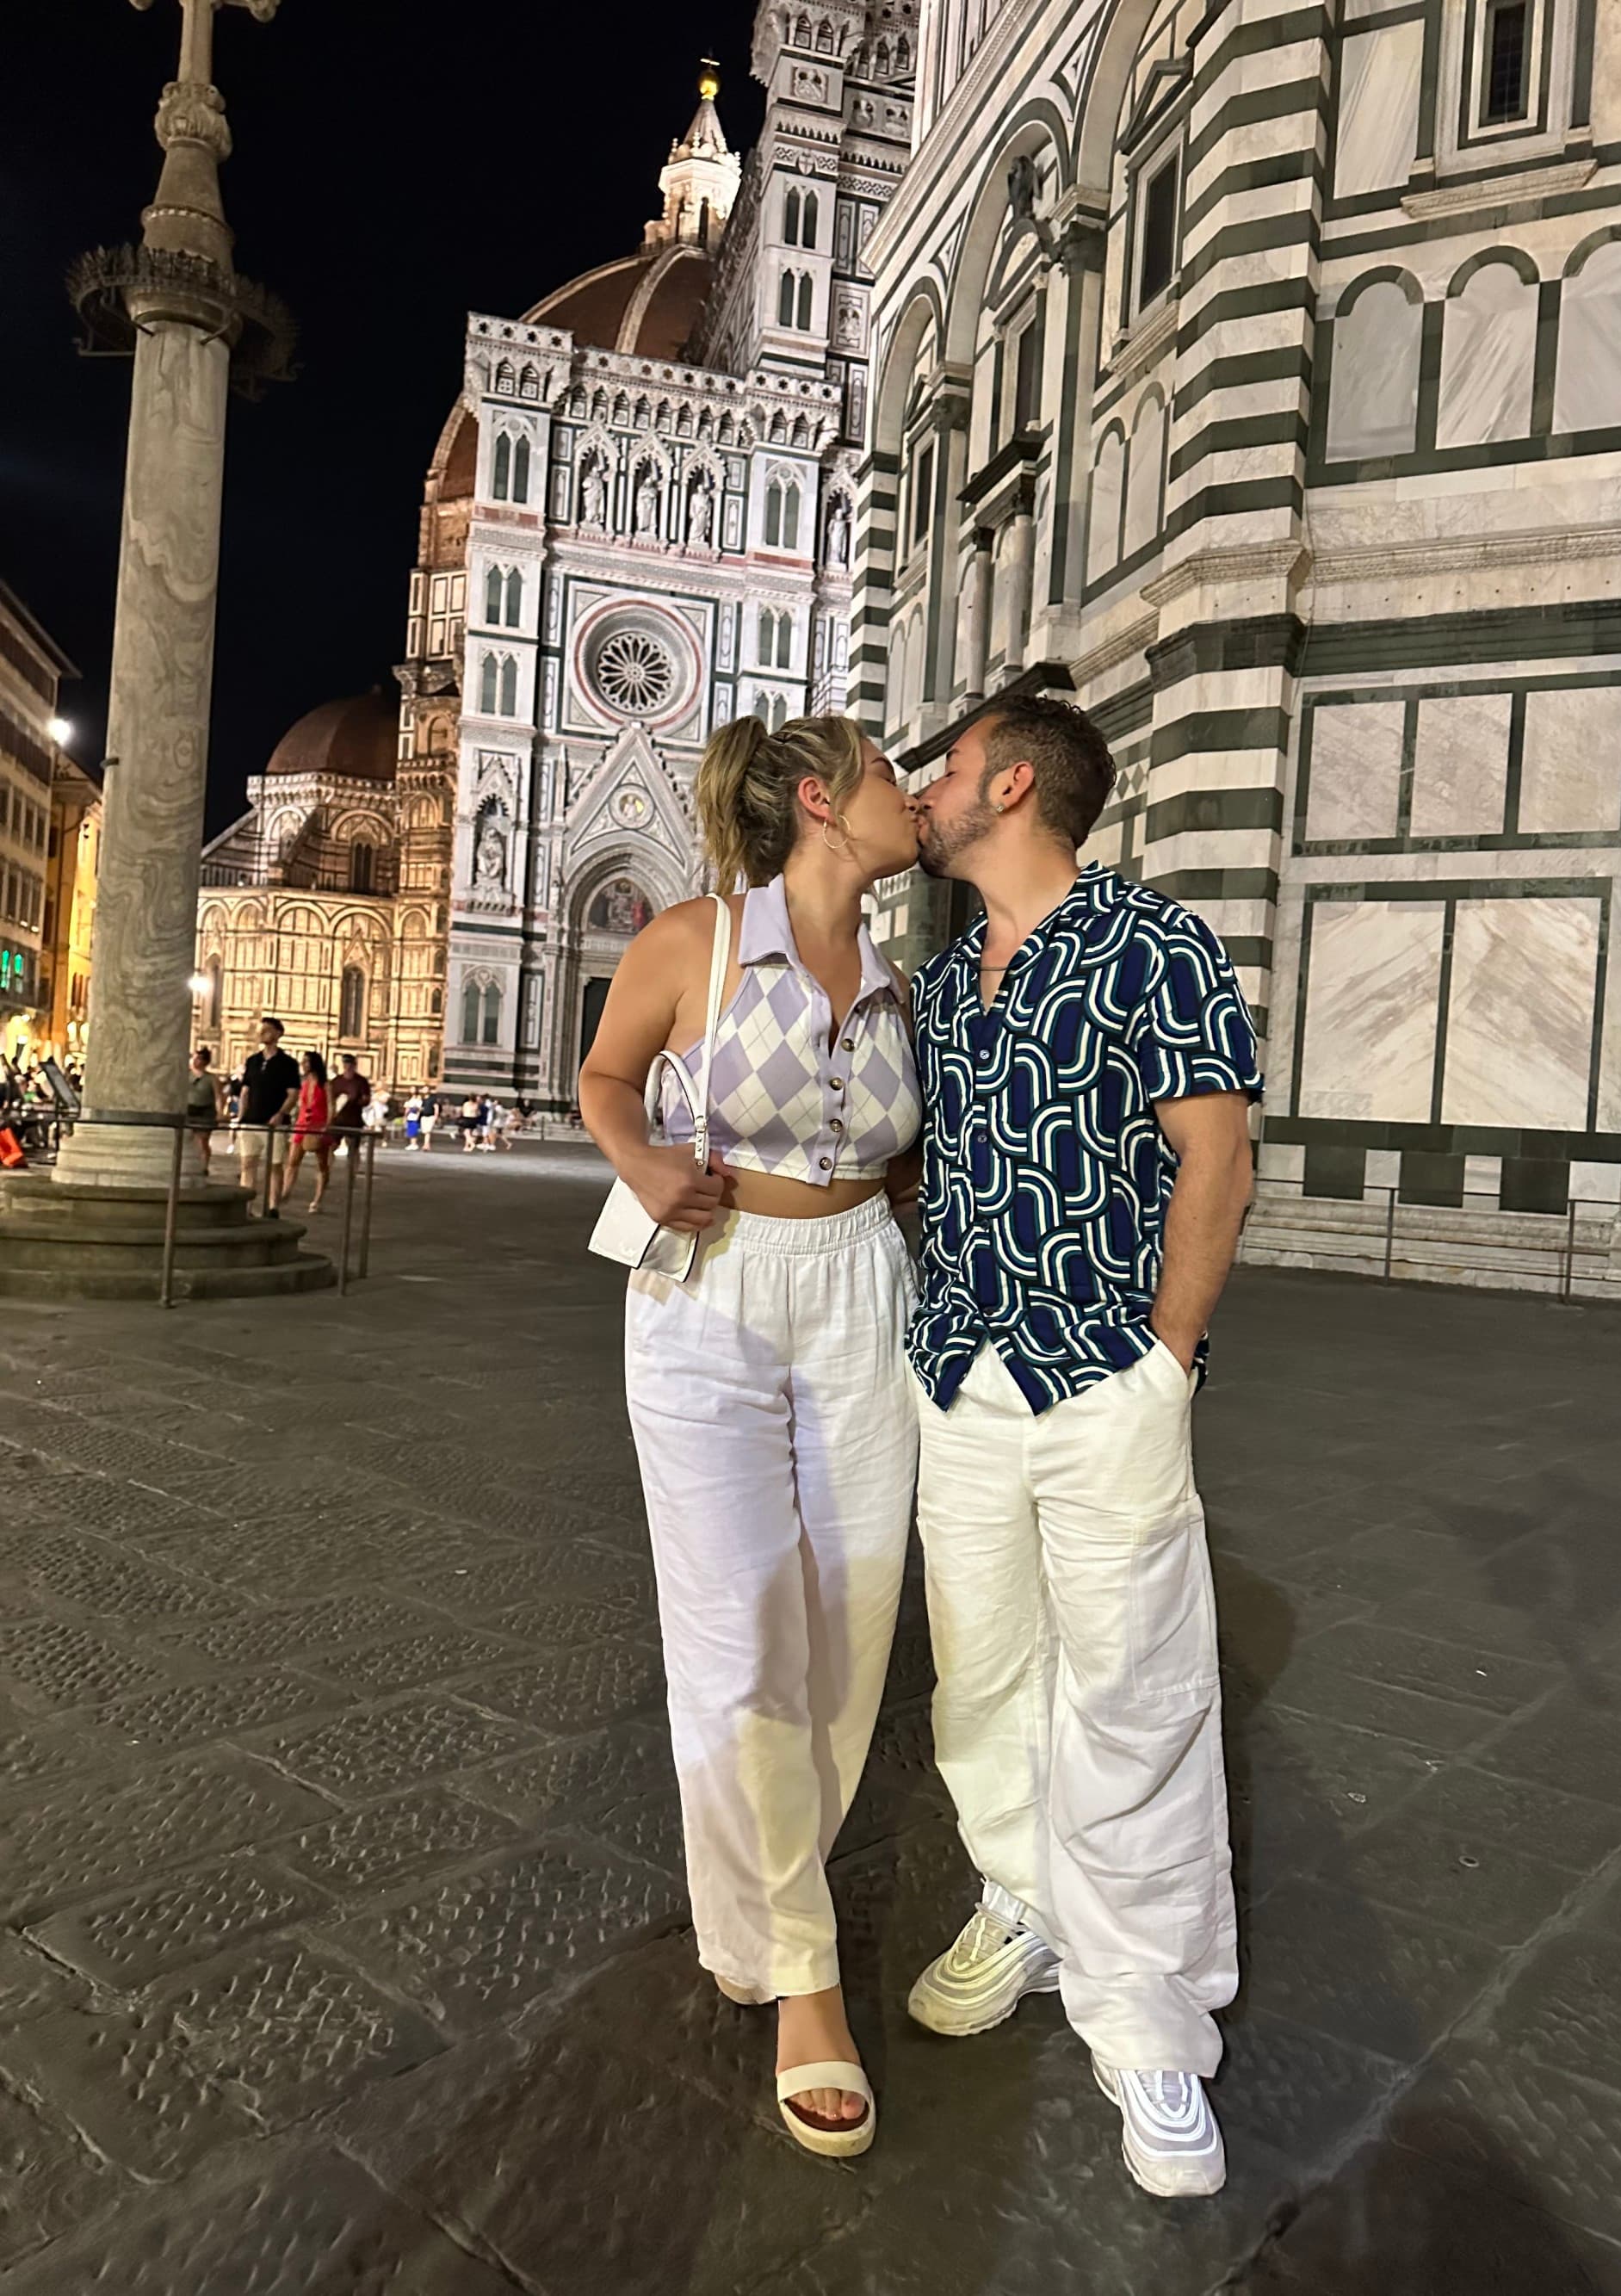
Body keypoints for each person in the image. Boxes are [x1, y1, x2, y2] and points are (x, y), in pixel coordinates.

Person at [903, 696, 1259, 2200]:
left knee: (1134, 1682)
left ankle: (1152, 2015)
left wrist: (1166, 1360)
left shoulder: (1151, 941)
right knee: (983, 1671)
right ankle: (1023, 1896)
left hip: (1103, 1372)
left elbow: (1218, 1150)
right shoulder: (937, 980)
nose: (922, 791)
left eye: (944, 767)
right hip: (960, 1376)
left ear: (1014, 779)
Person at [579, 713, 923, 2160]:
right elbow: (604, 1077)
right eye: (890, 774)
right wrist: (642, 1158)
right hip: (712, 1296)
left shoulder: (901, 978)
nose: (911, 795)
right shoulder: (692, 940)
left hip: (861, 1292)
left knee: (847, 1630)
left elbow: (901, 1155)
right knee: (738, 1632)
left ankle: (754, 1908)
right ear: (821, 800)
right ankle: (806, 1974)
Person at [232, 1018, 300, 1216]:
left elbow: (293, 1094)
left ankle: (272, 1207)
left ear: (279, 1033)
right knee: (247, 1163)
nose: (262, 1033)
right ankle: (247, 1206)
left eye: (267, 1030)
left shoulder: (288, 1064)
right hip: (251, 1121)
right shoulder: (253, 1061)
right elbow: (245, 1092)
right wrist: (241, 1118)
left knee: (275, 1165)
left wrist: (281, 1114)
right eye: (261, 1030)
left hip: (274, 1124)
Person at [277, 1049, 332, 1214]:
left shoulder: (325, 1084)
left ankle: (317, 1199)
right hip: (301, 1124)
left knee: (322, 1165)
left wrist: (327, 1126)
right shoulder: (302, 1082)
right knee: (292, 1161)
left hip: (318, 1126)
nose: (303, 1064)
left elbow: (331, 1105)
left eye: (306, 1061)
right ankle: (286, 1192)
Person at [330, 1053, 372, 1162]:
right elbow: (329, 1098)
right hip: (337, 1119)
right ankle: (326, 1171)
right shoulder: (336, 1081)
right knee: (331, 1146)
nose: (347, 1066)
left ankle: (352, 1174)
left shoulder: (361, 1081)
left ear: (354, 1065)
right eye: (345, 1064)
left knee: (353, 1149)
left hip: (354, 1119)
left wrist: (354, 1101)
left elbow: (366, 1099)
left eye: (350, 1064)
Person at [186, 1046, 221, 1174]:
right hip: (189, 1109)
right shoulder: (185, 1075)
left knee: (203, 1140)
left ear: (205, 1061)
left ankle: (204, 1165)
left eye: (198, 1058)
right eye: (193, 1057)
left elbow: (218, 1096)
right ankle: (191, 1162)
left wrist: (219, 1112)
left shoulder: (211, 1078)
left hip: (206, 1110)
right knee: (189, 1138)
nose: (195, 1061)